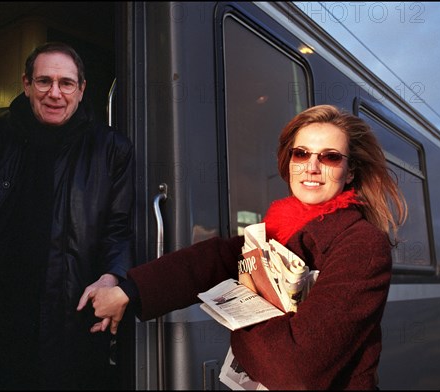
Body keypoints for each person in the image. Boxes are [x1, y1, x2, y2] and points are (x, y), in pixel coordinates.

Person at [79, 104, 407, 390]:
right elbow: (211, 260)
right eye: (301, 153)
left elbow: (296, 371)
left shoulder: (363, 245)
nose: (311, 166)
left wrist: (239, 313)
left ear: (350, 173)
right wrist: (128, 292)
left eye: (330, 157)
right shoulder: (278, 228)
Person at [0, 41, 134, 390]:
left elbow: (118, 228)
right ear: (26, 84)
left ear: (82, 89)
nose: (54, 93)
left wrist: (112, 276)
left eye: (66, 83)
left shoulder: (111, 148)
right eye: (44, 81)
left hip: (59, 309)